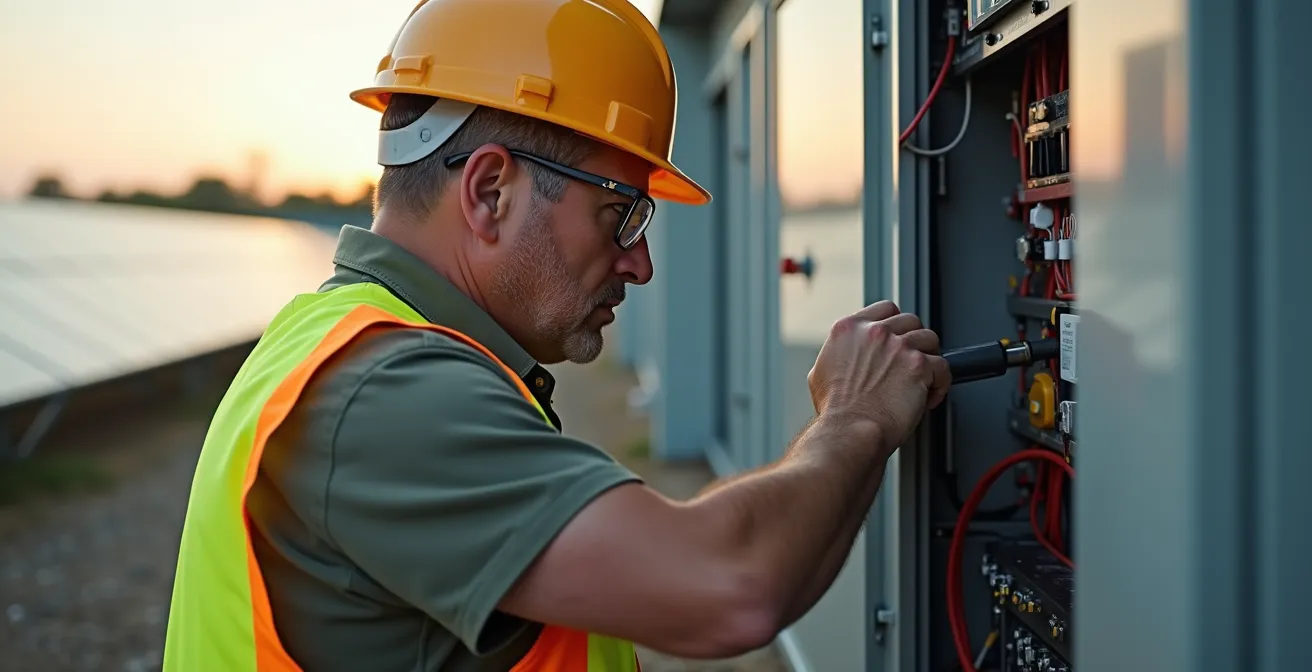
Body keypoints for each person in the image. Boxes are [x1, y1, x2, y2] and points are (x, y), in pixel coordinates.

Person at [161, 0, 952, 670]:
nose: (639, 263)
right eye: (621, 215)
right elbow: (729, 586)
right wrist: (853, 416)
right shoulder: (386, 392)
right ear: (491, 190)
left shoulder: (336, 339)